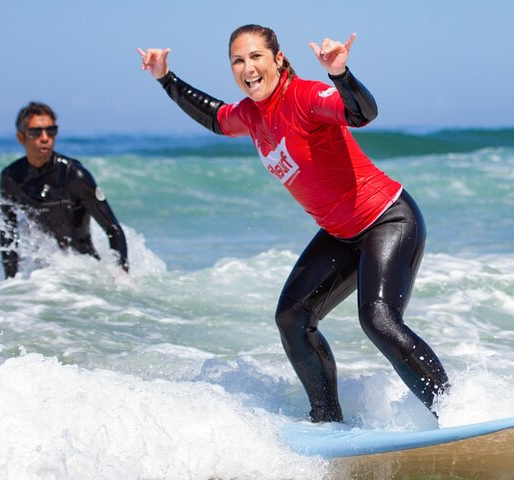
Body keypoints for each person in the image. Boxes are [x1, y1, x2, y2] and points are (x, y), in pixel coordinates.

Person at [138, 24, 449, 422]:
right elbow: (215, 117)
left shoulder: (304, 96)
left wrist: (340, 74)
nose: (247, 67)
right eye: (237, 60)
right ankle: (327, 419)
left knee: (378, 319)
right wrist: (165, 77)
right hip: (341, 233)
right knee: (293, 318)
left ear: (278, 59)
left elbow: (361, 113)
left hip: (387, 217)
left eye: (255, 57)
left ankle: (452, 410)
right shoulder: (251, 115)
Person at [0, 102, 129, 279]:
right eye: (36, 132)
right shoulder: (11, 177)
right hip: (43, 275)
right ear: (21, 137)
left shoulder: (74, 175)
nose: (45, 138)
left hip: (83, 270)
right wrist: (10, 283)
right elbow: (8, 234)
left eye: (51, 131)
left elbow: (113, 229)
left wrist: (121, 276)